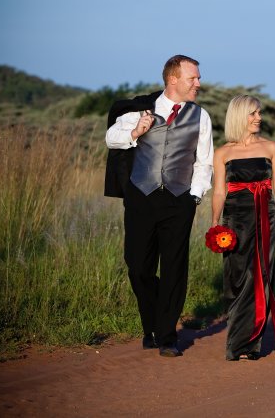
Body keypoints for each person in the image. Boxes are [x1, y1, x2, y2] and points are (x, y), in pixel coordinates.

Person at [105, 55, 213, 357]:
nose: (198, 83)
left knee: (174, 268)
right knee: (138, 266)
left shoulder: (201, 116)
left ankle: (167, 335)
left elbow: (204, 161)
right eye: (193, 78)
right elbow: (111, 138)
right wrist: (135, 133)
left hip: (179, 199)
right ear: (173, 79)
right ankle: (151, 324)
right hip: (142, 196)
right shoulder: (142, 109)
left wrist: (194, 196)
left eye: (198, 78)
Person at [210, 95, 275, 361]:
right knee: (236, 278)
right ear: (239, 116)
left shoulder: (271, 147)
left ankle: (249, 344)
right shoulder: (223, 153)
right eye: (253, 113)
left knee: (260, 276)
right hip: (234, 220)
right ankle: (237, 339)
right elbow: (219, 191)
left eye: (259, 113)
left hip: (265, 217)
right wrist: (214, 223)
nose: (259, 117)